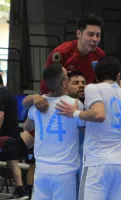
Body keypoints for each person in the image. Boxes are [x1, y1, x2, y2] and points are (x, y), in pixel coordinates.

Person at [56, 56, 121, 200]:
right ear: (118, 76)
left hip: (96, 163)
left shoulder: (93, 88)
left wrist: (74, 113)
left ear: (96, 77)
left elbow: (99, 115)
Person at [24, 64, 85, 200]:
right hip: (65, 172)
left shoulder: (37, 105)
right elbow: (86, 131)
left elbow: (27, 127)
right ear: (65, 83)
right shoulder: (74, 104)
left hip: (41, 170)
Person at [40, 14, 105, 94]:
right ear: (79, 34)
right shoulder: (60, 54)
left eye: (98, 35)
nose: (95, 39)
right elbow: (46, 85)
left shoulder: (100, 55)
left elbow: (101, 83)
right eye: (90, 34)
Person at [0, 74, 29, 200]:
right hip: (13, 135)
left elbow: (0, 115)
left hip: (4, 137)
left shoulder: (0, 95)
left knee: (12, 160)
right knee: (12, 160)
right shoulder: (9, 93)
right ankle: (20, 189)